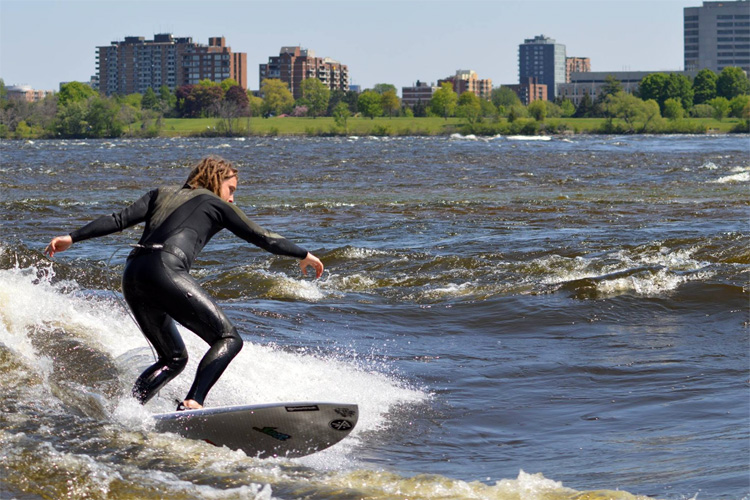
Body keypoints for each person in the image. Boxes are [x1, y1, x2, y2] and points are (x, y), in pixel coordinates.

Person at [44, 156, 324, 411]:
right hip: (165, 268)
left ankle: (126, 411)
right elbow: (262, 237)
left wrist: (72, 237)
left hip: (133, 273)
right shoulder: (214, 203)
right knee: (229, 339)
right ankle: (194, 402)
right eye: (232, 189)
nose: (232, 199)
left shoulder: (160, 193)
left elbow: (118, 220)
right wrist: (303, 254)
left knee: (173, 359)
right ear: (216, 182)